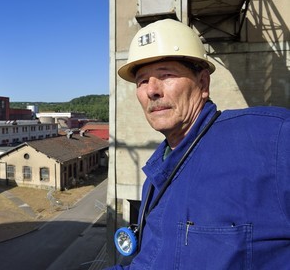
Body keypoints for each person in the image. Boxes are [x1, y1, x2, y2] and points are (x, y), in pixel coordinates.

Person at [107, 18, 290, 269]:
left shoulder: (271, 140)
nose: (152, 90)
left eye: (166, 75)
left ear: (203, 83)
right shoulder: (155, 175)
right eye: (142, 81)